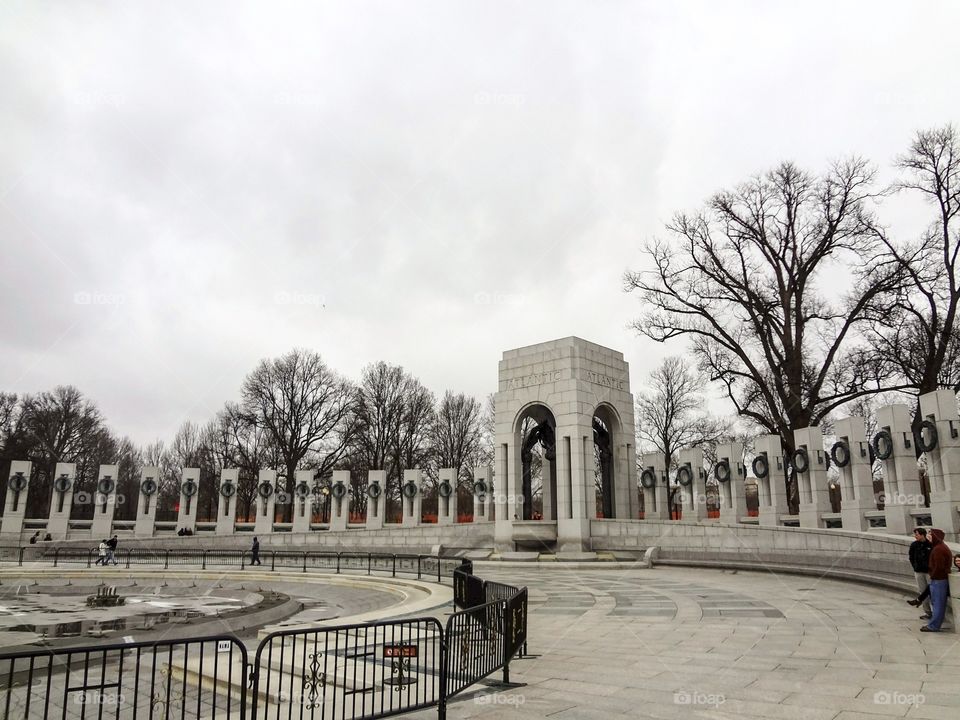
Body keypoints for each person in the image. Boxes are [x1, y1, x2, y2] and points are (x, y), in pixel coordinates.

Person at [921, 528, 952, 632]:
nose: (928, 537)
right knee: (937, 602)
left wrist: (933, 575)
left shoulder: (938, 549)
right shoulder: (939, 547)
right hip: (939, 579)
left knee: (938, 603)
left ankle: (933, 626)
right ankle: (934, 624)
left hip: (939, 580)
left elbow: (939, 567)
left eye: (930, 535)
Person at [907, 528, 932, 618]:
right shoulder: (914, 545)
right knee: (922, 591)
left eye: (917, 534)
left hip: (929, 572)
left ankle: (935, 611)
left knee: (931, 591)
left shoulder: (930, 545)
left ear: (922, 535)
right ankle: (927, 612)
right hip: (918, 571)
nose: (915, 536)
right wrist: (915, 567)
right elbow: (911, 557)